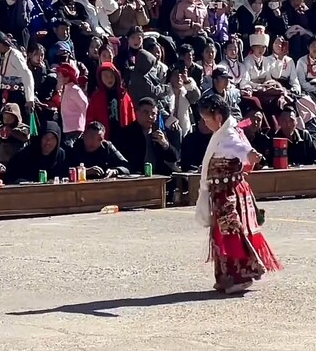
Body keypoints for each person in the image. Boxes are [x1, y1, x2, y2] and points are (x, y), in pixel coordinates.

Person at [193, 94, 281, 294]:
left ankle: (241, 275)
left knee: (231, 231)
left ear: (218, 118)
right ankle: (226, 275)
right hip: (222, 191)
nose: (205, 124)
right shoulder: (226, 132)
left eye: (207, 119)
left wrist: (252, 155)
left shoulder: (229, 136)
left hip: (227, 192)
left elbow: (243, 150)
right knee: (220, 233)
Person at [115, 97, 178, 176]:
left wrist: (165, 144)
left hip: (159, 176)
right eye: (146, 112)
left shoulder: (159, 132)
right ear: (137, 113)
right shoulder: (126, 134)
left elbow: (174, 158)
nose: (150, 117)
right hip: (136, 176)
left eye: (153, 114)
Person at [86, 61, 135, 142]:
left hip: (124, 137)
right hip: (104, 139)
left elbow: (131, 117)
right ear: (100, 78)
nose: (109, 79)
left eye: (112, 75)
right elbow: (90, 118)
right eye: (105, 76)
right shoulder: (96, 97)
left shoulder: (123, 94)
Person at [0, 31, 35, 115]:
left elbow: (27, 74)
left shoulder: (15, 55)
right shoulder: (5, 55)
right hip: (5, 93)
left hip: (15, 96)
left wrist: (29, 98)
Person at [57, 63, 88, 148]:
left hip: (75, 128)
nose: (57, 78)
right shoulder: (65, 89)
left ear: (66, 78)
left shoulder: (74, 90)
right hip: (68, 128)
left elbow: (85, 105)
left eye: (59, 76)